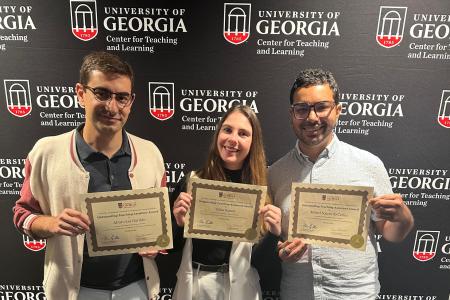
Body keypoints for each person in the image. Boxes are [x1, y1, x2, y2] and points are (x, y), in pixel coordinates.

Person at [13, 51, 166, 300]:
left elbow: (159, 224)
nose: (112, 106)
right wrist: (52, 224)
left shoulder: (151, 154)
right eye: (102, 93)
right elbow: (22, 215)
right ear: (81, 94)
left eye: (121, 97)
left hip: (137, 289)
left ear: (131, 101)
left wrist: (157, 243)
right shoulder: (46, 152)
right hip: (75, 291)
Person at [268, 68, 414, 299]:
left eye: (321, 107)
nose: (312, 117)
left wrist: (404, 218)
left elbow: (391, 233)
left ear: (338, 110)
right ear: (292, 114)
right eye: (302, 109)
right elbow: (276, 234)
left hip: (355, 294)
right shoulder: (275, 174)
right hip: (298, 293)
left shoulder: (369, 164)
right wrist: (282, 248)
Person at [171, 105, 282, 300]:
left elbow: (260, 262)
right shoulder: (192, 181)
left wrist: (274, 234)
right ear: (218, 133)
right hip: (197, 286)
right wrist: (178, 224)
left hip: (242, 287)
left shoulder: (261, 189)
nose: (233, 139)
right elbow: (171, 247)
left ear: (253, 142)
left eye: (243, 134)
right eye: (228, 130)